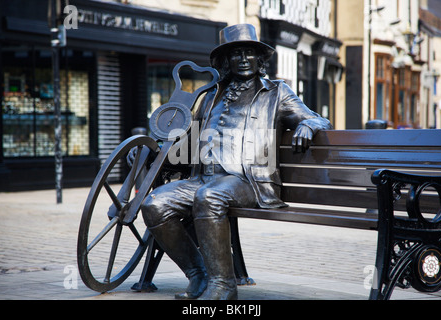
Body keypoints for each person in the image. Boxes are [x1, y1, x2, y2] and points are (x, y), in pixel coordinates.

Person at [141, 24, 332, 300]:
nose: (243, 59)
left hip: (248, 181)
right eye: (236, 54)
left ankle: (224, 287)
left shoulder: (277, 92)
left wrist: (308, 126)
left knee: (210, 197)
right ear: (225, 62)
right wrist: (152, 153)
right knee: (154, 204)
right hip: (203, 178)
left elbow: (317, 118)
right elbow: (188, 145)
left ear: (260, 59)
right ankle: (199, 275)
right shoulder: (210, 96)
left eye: (249, 53)